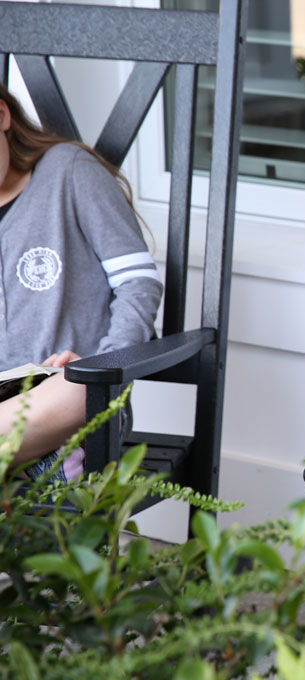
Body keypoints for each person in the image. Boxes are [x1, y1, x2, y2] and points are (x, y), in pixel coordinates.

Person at [0, 83, 162, 481]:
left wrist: (104, 362)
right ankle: (37, 466)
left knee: (80, 388)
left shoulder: (68, 173)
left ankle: (43, 461)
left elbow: (138, 285)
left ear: (2, 115)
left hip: (67, 391)